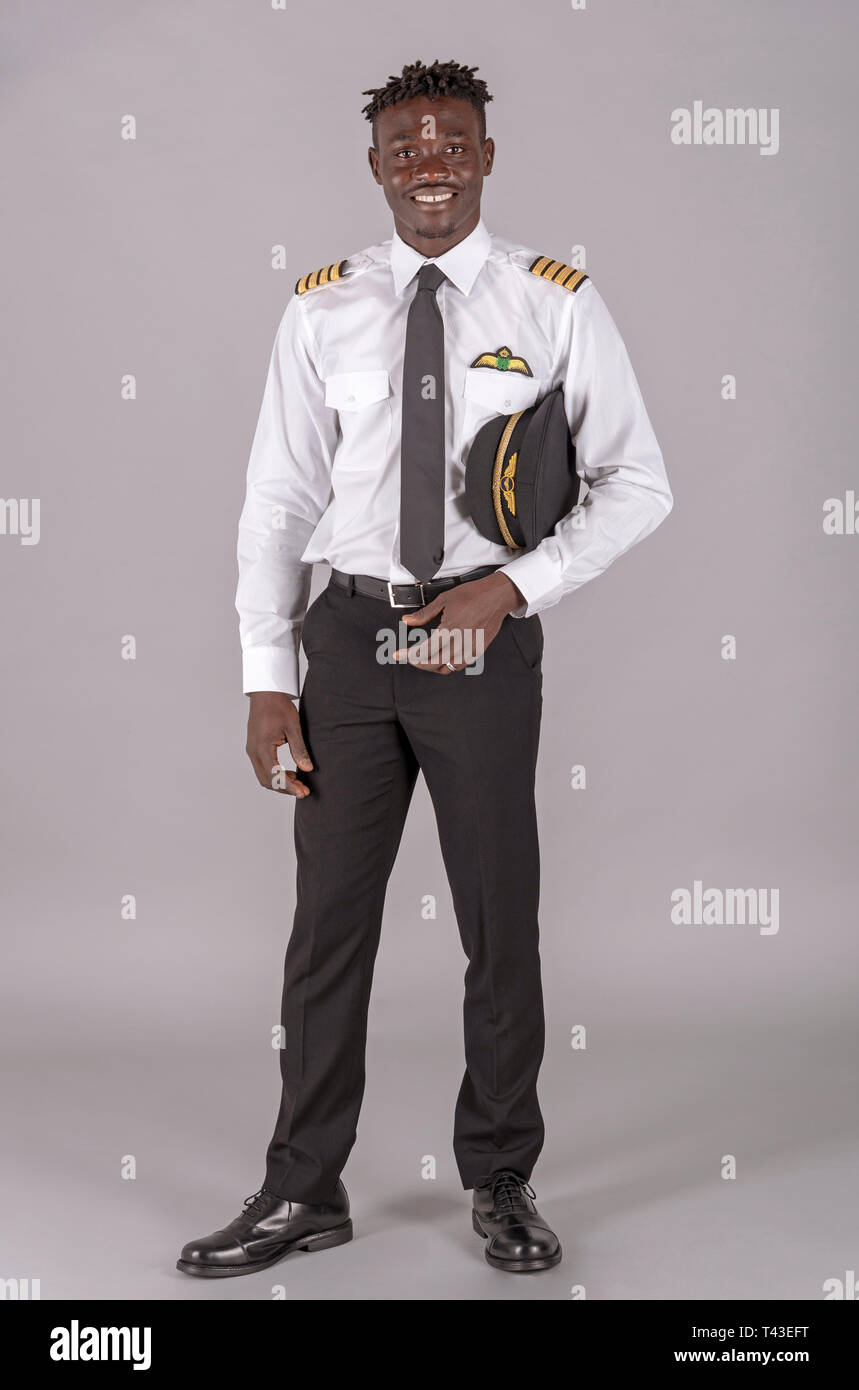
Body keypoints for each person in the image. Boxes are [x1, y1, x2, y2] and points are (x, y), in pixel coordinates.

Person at [177, 58, 672, 1280]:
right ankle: (304, 1191)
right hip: (345, 643)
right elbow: (275, 501)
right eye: (407, 145)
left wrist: (510, 589)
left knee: (499, 924)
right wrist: (264, 677)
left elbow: (638, 484)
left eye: (453, 141)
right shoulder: (322, 307)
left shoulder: (552, 303)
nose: (431, 162)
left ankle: (500, 1178)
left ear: (488, 156)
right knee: (326, 929)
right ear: (376, 165)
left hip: (476, 644)